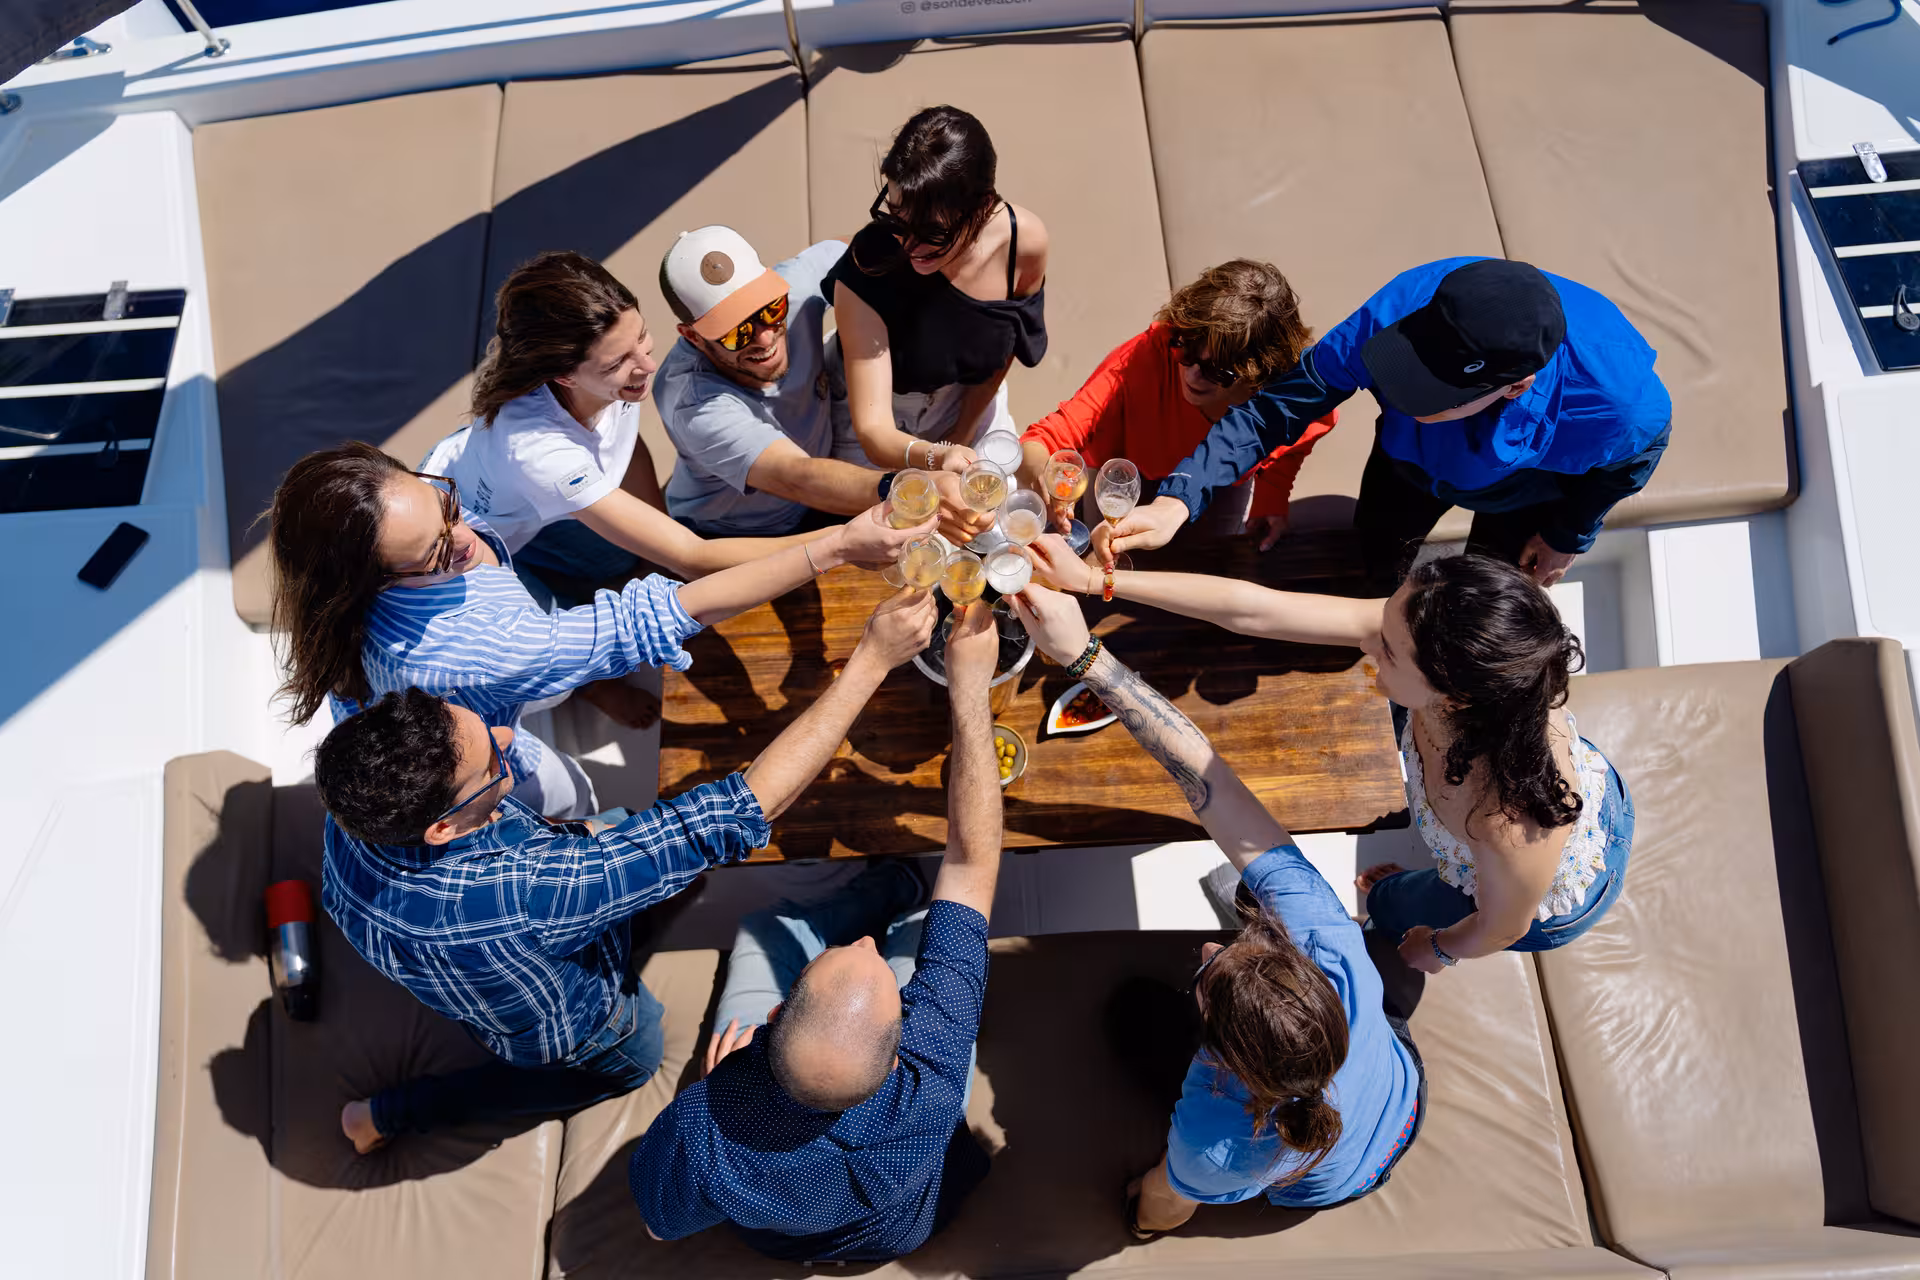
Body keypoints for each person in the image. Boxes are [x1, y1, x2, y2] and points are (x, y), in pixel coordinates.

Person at [317, 586, 941, 1154]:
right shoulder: (534, 894)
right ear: (443, 829)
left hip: (473, 955)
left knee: (652, 852)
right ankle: (389, 1114)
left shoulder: (356, 800)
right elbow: (741, 808)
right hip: (577, 1028)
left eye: (486, 726)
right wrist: (871, 661)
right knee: (626, 1064)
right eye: (493, 767)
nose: (507, 739)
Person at [1004, 578, 1424, 1235]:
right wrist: (1086, 656)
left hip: (1343, 1173)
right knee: (1256, 889)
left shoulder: (1217, 1140)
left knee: (1132, 1014)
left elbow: (1164, 1206)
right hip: (1403, 1098)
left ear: (1222, 1061)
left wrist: (1138, 1209)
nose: (1207, 947)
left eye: (1208, 974)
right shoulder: (1331, 944)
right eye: (1245, 950)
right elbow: (1214, 785)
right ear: (1311, 976)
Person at [1026, 536, 1633, 966]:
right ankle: (1424, 882)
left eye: (1387, 649)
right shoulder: (1443, 643)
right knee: (1401, 894)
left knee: (1396, 917)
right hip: (1490, 857)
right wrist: (1096, 582)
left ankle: (1416, 895)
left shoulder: (1510, 825)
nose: (1368, 643)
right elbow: (1256, 610)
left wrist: (1439, 948)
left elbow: (1503, 925)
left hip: (1536, 899)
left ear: (1453, 696)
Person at [269, 442, 932, 818]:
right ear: (372, 581)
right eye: (438, 554)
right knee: (572, 799)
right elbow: (661, 615)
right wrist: (837, 547)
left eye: (449, 506)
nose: (465, 537)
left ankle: (582, 688)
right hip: (481, 751)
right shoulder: (480, 652)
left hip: (496, 678)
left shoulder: (355, 577)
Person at [629, 602, 1004, 1262]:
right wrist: (971, 688)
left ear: (775, 1017)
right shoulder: (932, 1085)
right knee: (922, 927)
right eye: (870, 960)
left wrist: (717, 1098)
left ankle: (886, 892)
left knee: (763, 928)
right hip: (892, 1229)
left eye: (844, 955)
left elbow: (661, 1227)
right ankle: (899, 898)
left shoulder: (705, 1124)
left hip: (782, 1234)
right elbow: (971, 869)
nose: (863, 946)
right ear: (900, 1058)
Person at [1100, 256, 1671, 588]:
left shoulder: (1619, 401)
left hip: (1525, 492)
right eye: (1403, 368)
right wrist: (1178, 499)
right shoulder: (1398, 308)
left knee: (1488, 592)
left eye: (1431, 391)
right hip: (1405, 463)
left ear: (1515, 385)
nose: (1399, 392)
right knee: (1375, 560)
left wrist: (1567, 535)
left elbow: (1629, 462)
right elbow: (1276, 408)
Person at [424, 250, 829, 601]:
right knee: (550, 641)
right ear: (564, 376)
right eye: (618, 362)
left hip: (530, 504)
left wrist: (662, 531)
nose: (648, 365)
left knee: (617, 559)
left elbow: (625, 443)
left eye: (642, 336)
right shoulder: (538, 451)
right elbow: (692, 559)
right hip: (457, 545)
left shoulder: (610, 379)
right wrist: (841, 541)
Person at [827, 105, 1049, 541]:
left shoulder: (1023, 242)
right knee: (892, 545)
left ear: (982, 207)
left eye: (931, 231)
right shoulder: (867, 266)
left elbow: (1004, 346)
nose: (908, 245)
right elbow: (873, 429)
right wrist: (937, 456)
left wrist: (960, 435)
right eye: (895, 217)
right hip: (883, 410)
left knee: (1002, 534)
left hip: (969, 398)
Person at [1019, 259, 1337, 551]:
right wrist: (1046, 477)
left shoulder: (1291, 396)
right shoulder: (1149, 354)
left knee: (1207, 563)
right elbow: (1045, 438)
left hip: (1220, 488)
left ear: (1259, 374)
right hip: (1126, 476)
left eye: (1218, 371)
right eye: (1186, 348)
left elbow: (1297, 440)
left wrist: (1271, 498)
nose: (1192, 374)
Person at [655, 226, 929, 539]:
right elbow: (796, 477)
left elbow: (866, 243)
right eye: (737, 333)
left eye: (771, 309)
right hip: (739, 533)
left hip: (820, 494)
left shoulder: (796, 285)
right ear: (692, 336)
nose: (765, 338)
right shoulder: (693, 402)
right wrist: (910, 491)